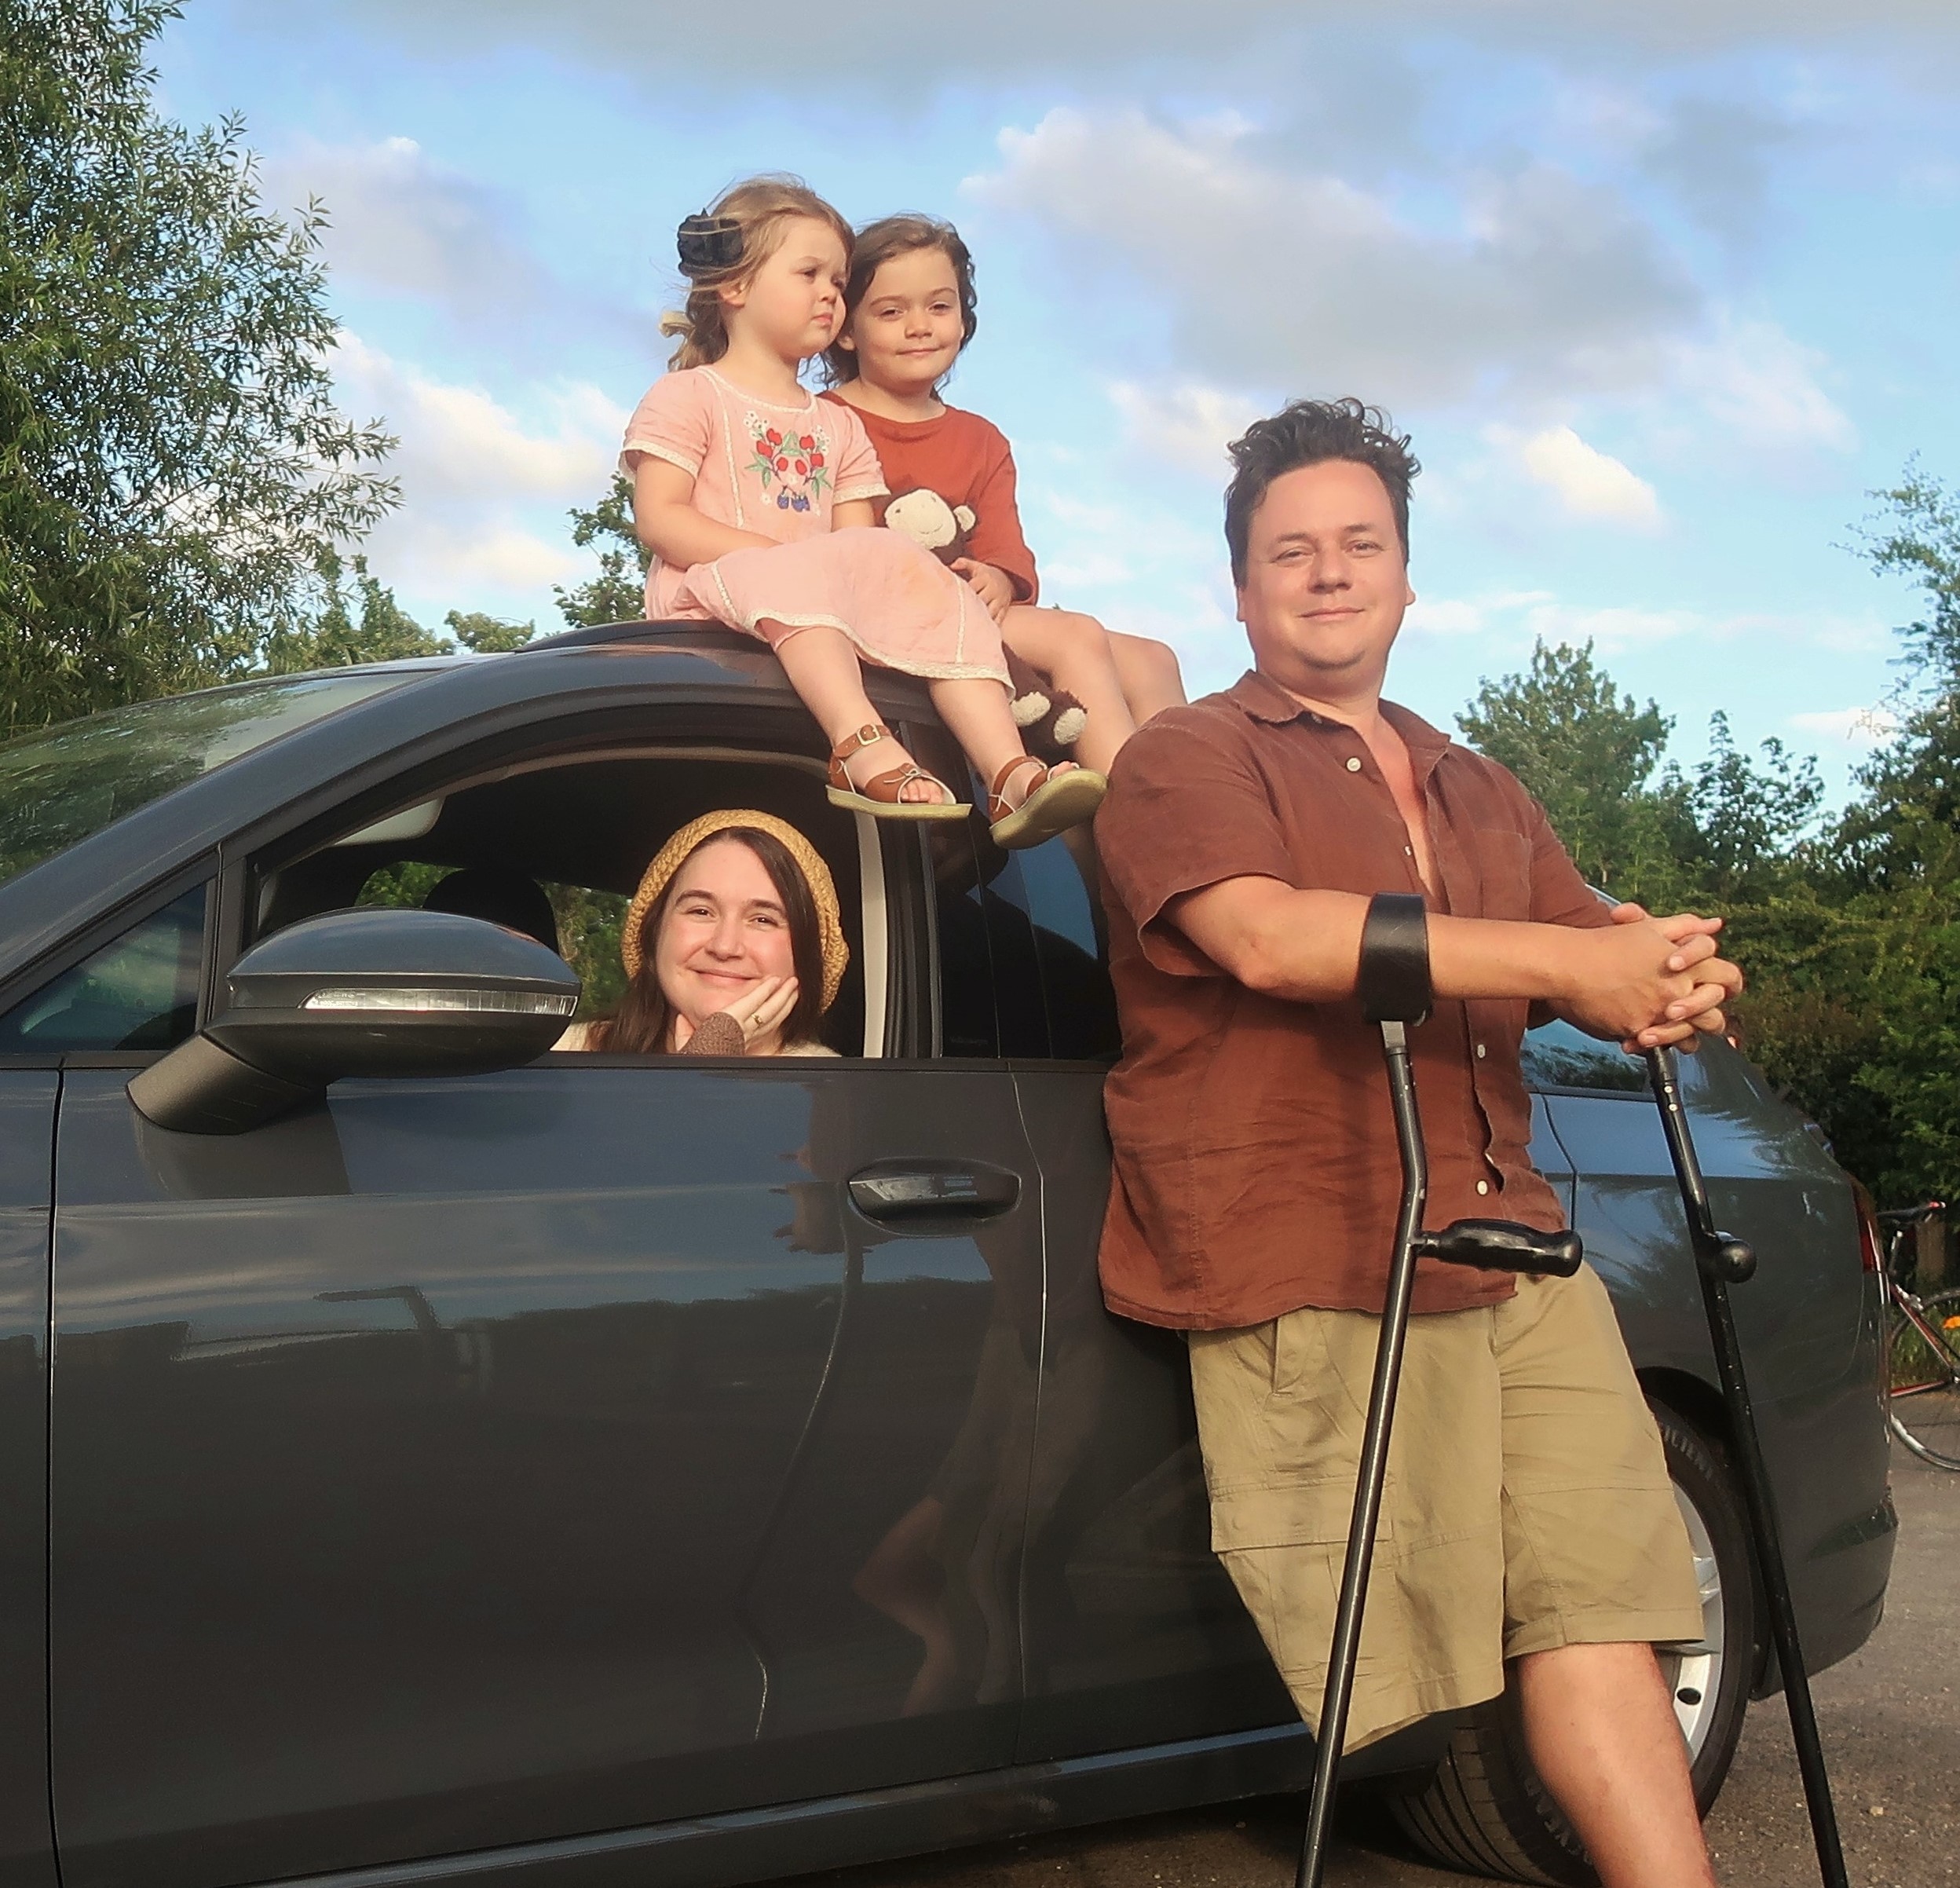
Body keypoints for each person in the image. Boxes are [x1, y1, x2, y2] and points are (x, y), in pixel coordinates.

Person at [1092, 398, 1743, 1888]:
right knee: (1396, 1648)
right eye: (1291, 551)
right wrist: (1573, 962)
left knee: (1603, 1607)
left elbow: (1596, 944)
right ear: (1241, 590)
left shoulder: (1474, 779)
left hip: (1515, 1251)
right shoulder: (1185, 755)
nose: (1329, 573)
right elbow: (1265, 937)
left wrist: (1673, 970)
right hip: (1321, 1249)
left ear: (1405, 575)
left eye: (1360, 544)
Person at [625, 177, 1102, 852]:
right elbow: (661, 519)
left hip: (812, 603)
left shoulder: (838, 425)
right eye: (809, 274)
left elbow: (859, 548)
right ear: (735, 286)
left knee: (923, 577)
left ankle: (1006, 771)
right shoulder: (689, 396)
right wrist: (785, 561)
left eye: (838, 280)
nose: (830, 293)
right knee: (804, 579)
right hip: (708, 598)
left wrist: (909, 582)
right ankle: (857, 741)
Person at [821, 214, 1187, 778]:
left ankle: (1187, 802)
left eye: (939, 307)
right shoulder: (824, 420)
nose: (919, 327)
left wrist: (997, 576)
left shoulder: (981, 439)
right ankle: (1132, 810)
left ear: (963, 319)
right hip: (883, 613)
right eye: (892, 312)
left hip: (976, 610)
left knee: (1153, 660)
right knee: (1076, 637)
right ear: (847, 330)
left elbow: (1006, 553)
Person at [555, 810, 847, 1057]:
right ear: (654, 930)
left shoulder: (834, 1092)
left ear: (808, 952)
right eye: (701, 911)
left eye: (763, 919)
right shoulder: (560, 1055)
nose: (724, 946)